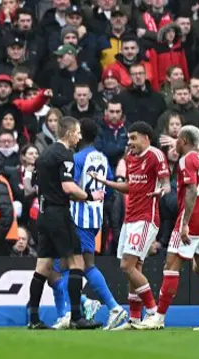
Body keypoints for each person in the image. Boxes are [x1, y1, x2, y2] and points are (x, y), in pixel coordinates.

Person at [90, 121, 169, 330]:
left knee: (127, 266)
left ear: (146, 138)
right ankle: (135, 318)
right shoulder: (131, 158)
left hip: (146, 219)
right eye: (129, 138)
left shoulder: (155, 155)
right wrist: (106, 182)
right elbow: (130, 187)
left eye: (134, 138)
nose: (130, 142)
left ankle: (153, 313)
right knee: (135, 268)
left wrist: (162, 190)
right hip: (130, 218)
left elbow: (166, 183)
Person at [46, 118, 124, 330]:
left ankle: (107, 307)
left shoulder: (77, 158)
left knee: (60, 268)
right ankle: (69, 312)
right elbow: (107, 188)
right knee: (69, 266)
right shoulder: (102, 157)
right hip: (94, 217)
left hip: (78, 218)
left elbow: (70, 187)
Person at [27, 116, 103, 330]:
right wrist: (90, 196)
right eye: (78, 132)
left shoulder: (44, 155)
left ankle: (33, 319)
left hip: (43, 213)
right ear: (69, 132)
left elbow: (33, 185)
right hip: (58, 214)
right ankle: (77, 317)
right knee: (77, 262)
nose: (80, 136)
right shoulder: (65, 154)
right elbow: (68, 187)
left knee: (43, 266)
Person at [150, 125, 199, 330]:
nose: (176, 145)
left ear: (184, 141)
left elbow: (192, 190)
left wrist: (184, 224)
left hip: (191, 219)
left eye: (178, 140)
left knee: (171, 266)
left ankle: (158, 317)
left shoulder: (186, 160)